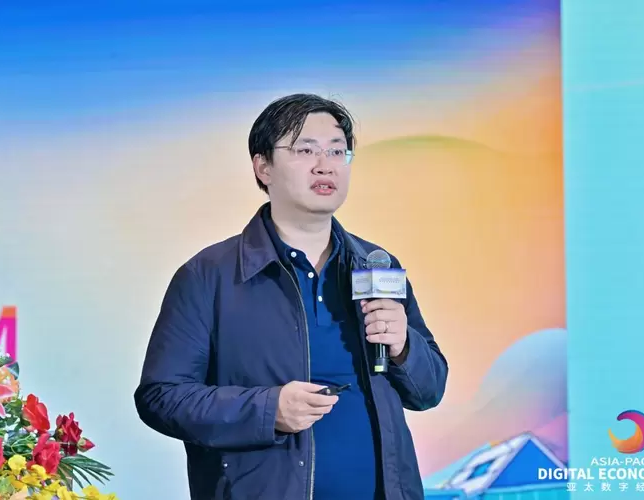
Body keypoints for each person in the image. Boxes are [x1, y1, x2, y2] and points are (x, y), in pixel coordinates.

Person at [134, 93, 448, 500]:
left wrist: (404, 347)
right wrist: (269, 410)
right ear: (263, 166)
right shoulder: (209, 275)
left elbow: (430, 390)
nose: (325, 164)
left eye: (337, 151)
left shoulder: (377, 266)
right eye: (305, 150)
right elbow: (161, 397)